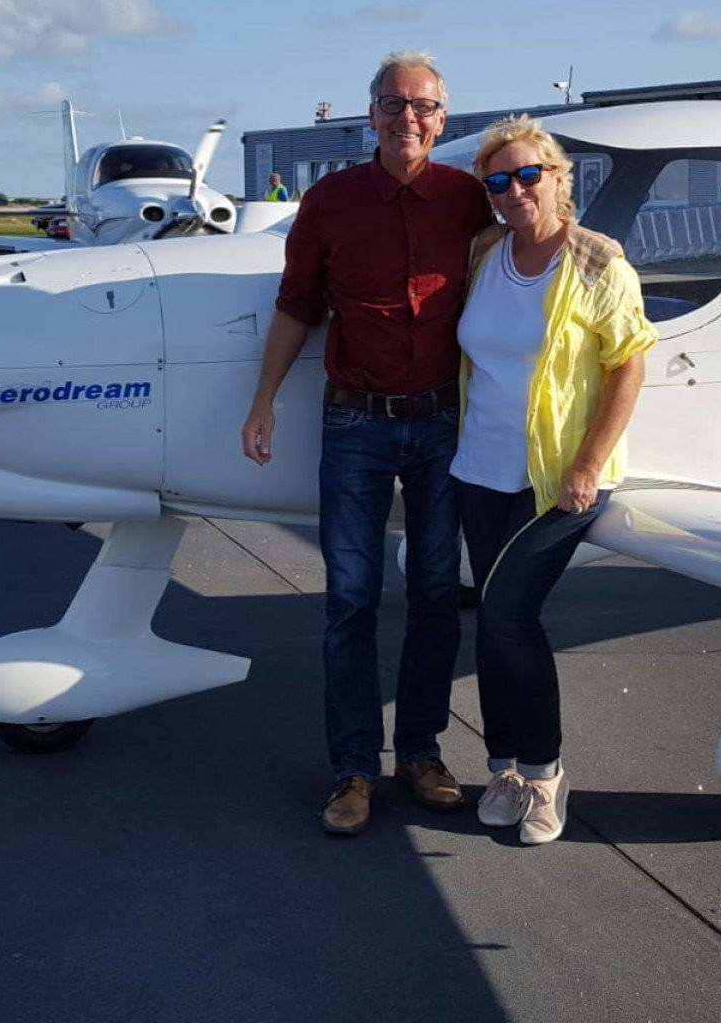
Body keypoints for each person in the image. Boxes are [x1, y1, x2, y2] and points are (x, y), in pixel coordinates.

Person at [241, 51, 495, 836]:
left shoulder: (469, 199)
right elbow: (296, 305)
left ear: (442, 119)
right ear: (371, 114)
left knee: (435, 596)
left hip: (443, 423)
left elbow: (536, 245)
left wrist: (595, 250)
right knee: (350, 598)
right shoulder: (331, 201)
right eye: (392, 104)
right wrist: (263, 402)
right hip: (355, 423)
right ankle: (353, 768)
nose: (406, 118)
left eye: (422, 106)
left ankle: (419, 753)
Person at [450, 115, 656, 845]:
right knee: (493, 622)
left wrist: (588, 465)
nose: (515, 191)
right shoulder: (484, 253)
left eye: (529, 175)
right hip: (480, 468)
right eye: (498, 181)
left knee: (509, 615)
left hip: (559, 477)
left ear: (559, 178)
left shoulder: (598, 262)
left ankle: (544, 774)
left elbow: (628, 365)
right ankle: (502, 768)